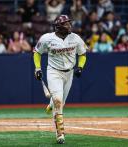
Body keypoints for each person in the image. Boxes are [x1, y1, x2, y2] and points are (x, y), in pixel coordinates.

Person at [33, 15, 87, 144]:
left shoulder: (75, 38)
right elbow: (37, 52)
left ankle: (50, 104)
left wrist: (80, 67)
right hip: (54, 72)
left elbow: (83, 54)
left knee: (60, 103)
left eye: (69, 23)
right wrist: (37, 68)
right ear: (58, 26)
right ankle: (60, 133)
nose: (69, 26)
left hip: (69, 73)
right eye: (66, 24)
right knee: (58, 102)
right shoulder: (47, 38)